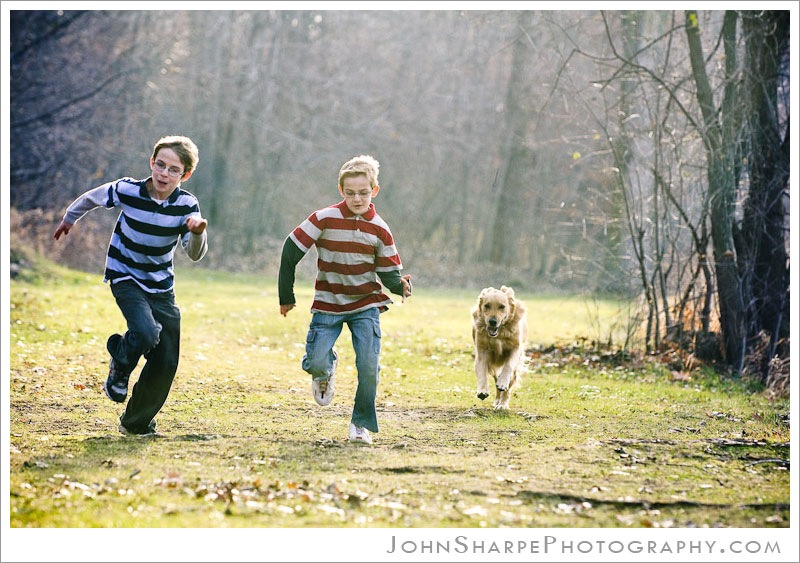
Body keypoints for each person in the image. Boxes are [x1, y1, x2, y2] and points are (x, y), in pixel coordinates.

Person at [53, 135, 208, 436]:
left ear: (185, 175)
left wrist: (199, 232)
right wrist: (69, 218)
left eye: (173, 169)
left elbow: (194, 254)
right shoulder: (128, 189)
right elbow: (91, 198)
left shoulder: (187, 205)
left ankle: (135, 422)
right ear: (151, 163)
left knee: (166, 358)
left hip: (160, 286)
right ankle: (121, 363)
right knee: (147, 332)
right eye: (160, 165)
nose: (164, 173)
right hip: (125, 276)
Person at [279, 154, 412, 445]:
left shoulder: (380, 228)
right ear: (341, 191)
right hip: (328, 304)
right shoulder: (324, 218)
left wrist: (399, 285)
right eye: (350, 193)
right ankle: (325, 369)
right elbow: (290, 250)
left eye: (363, 193)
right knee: (314, 361)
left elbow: (388, 271)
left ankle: (360, 424)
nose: (357, 198)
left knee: (369, 365)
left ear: (374, 191)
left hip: (365, 305)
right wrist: (286, 295)